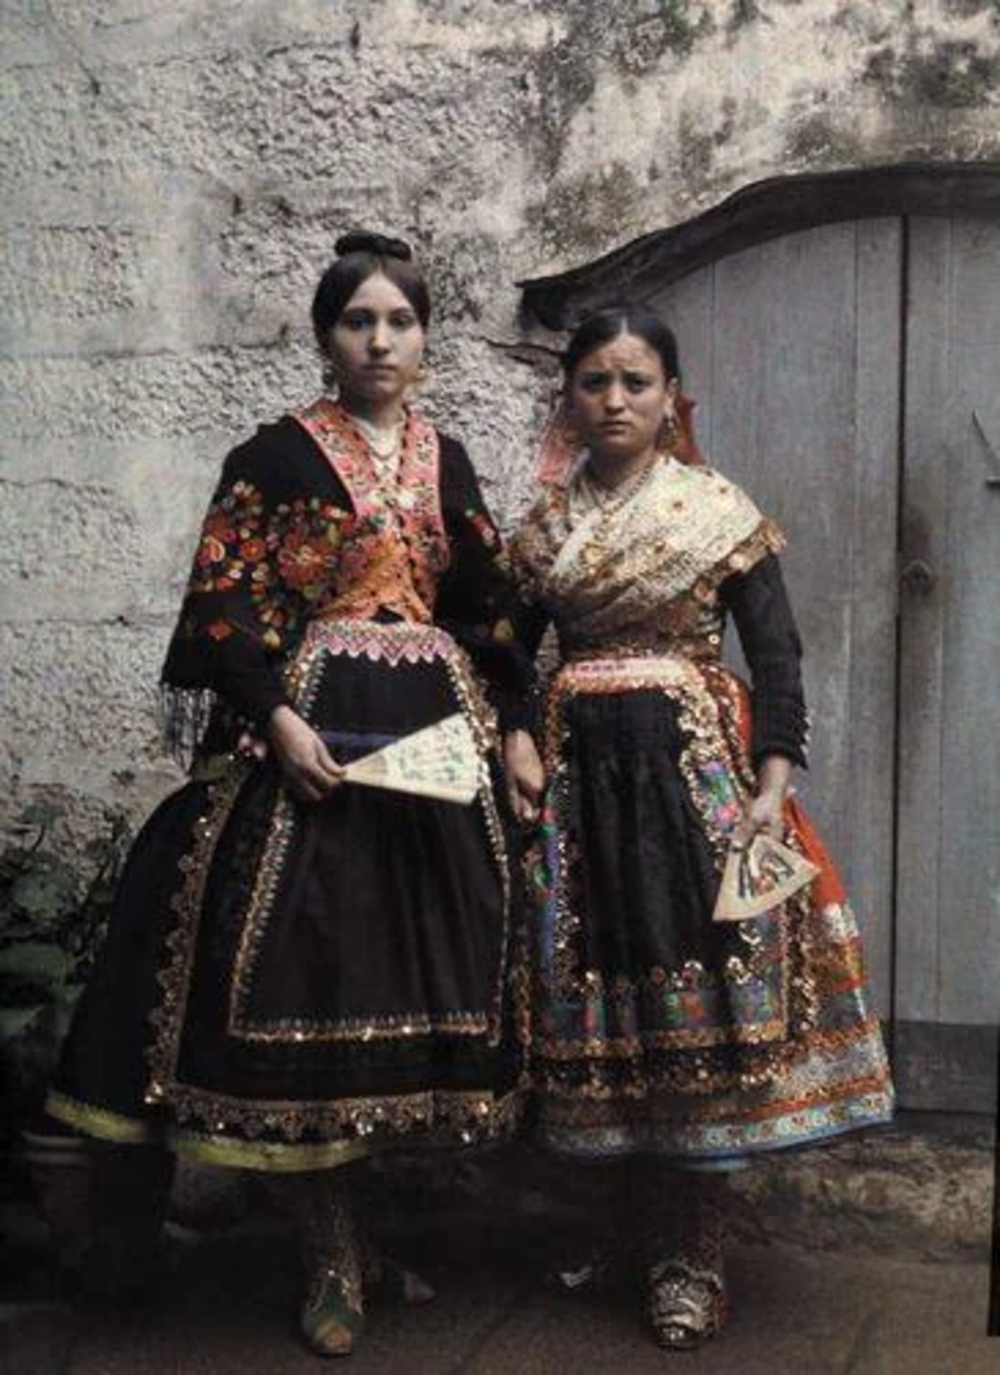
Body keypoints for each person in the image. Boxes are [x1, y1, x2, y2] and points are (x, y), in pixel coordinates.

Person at [46, 232, 534, 1357]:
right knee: (303, 980)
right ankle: (326, 1251)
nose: (379, 341)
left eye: (399, 322)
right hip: (312, 745)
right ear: (325, 338)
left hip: (428, 762)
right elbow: (221, 603)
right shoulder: (271, 457)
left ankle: (363, 1237)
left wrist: (509, 724)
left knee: (407, 997)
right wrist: (275, 719)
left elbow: (489, 604)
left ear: (423, 338)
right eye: (357, 321)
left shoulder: (447, 460)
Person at [502, 306, 894, 1351]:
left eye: (636, 382)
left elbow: (777, 655)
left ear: (672, 395)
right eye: (594, 382)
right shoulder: (544, 529)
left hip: (696, 788)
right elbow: (507, 649)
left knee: (704, 997)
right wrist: (514, 738)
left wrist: (769, 785)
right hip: (582, 799)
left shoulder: (715, 511)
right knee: (607, 1003)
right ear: (570, 398)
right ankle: (628, 1231)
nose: (615, 401)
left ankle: (694, 1256)